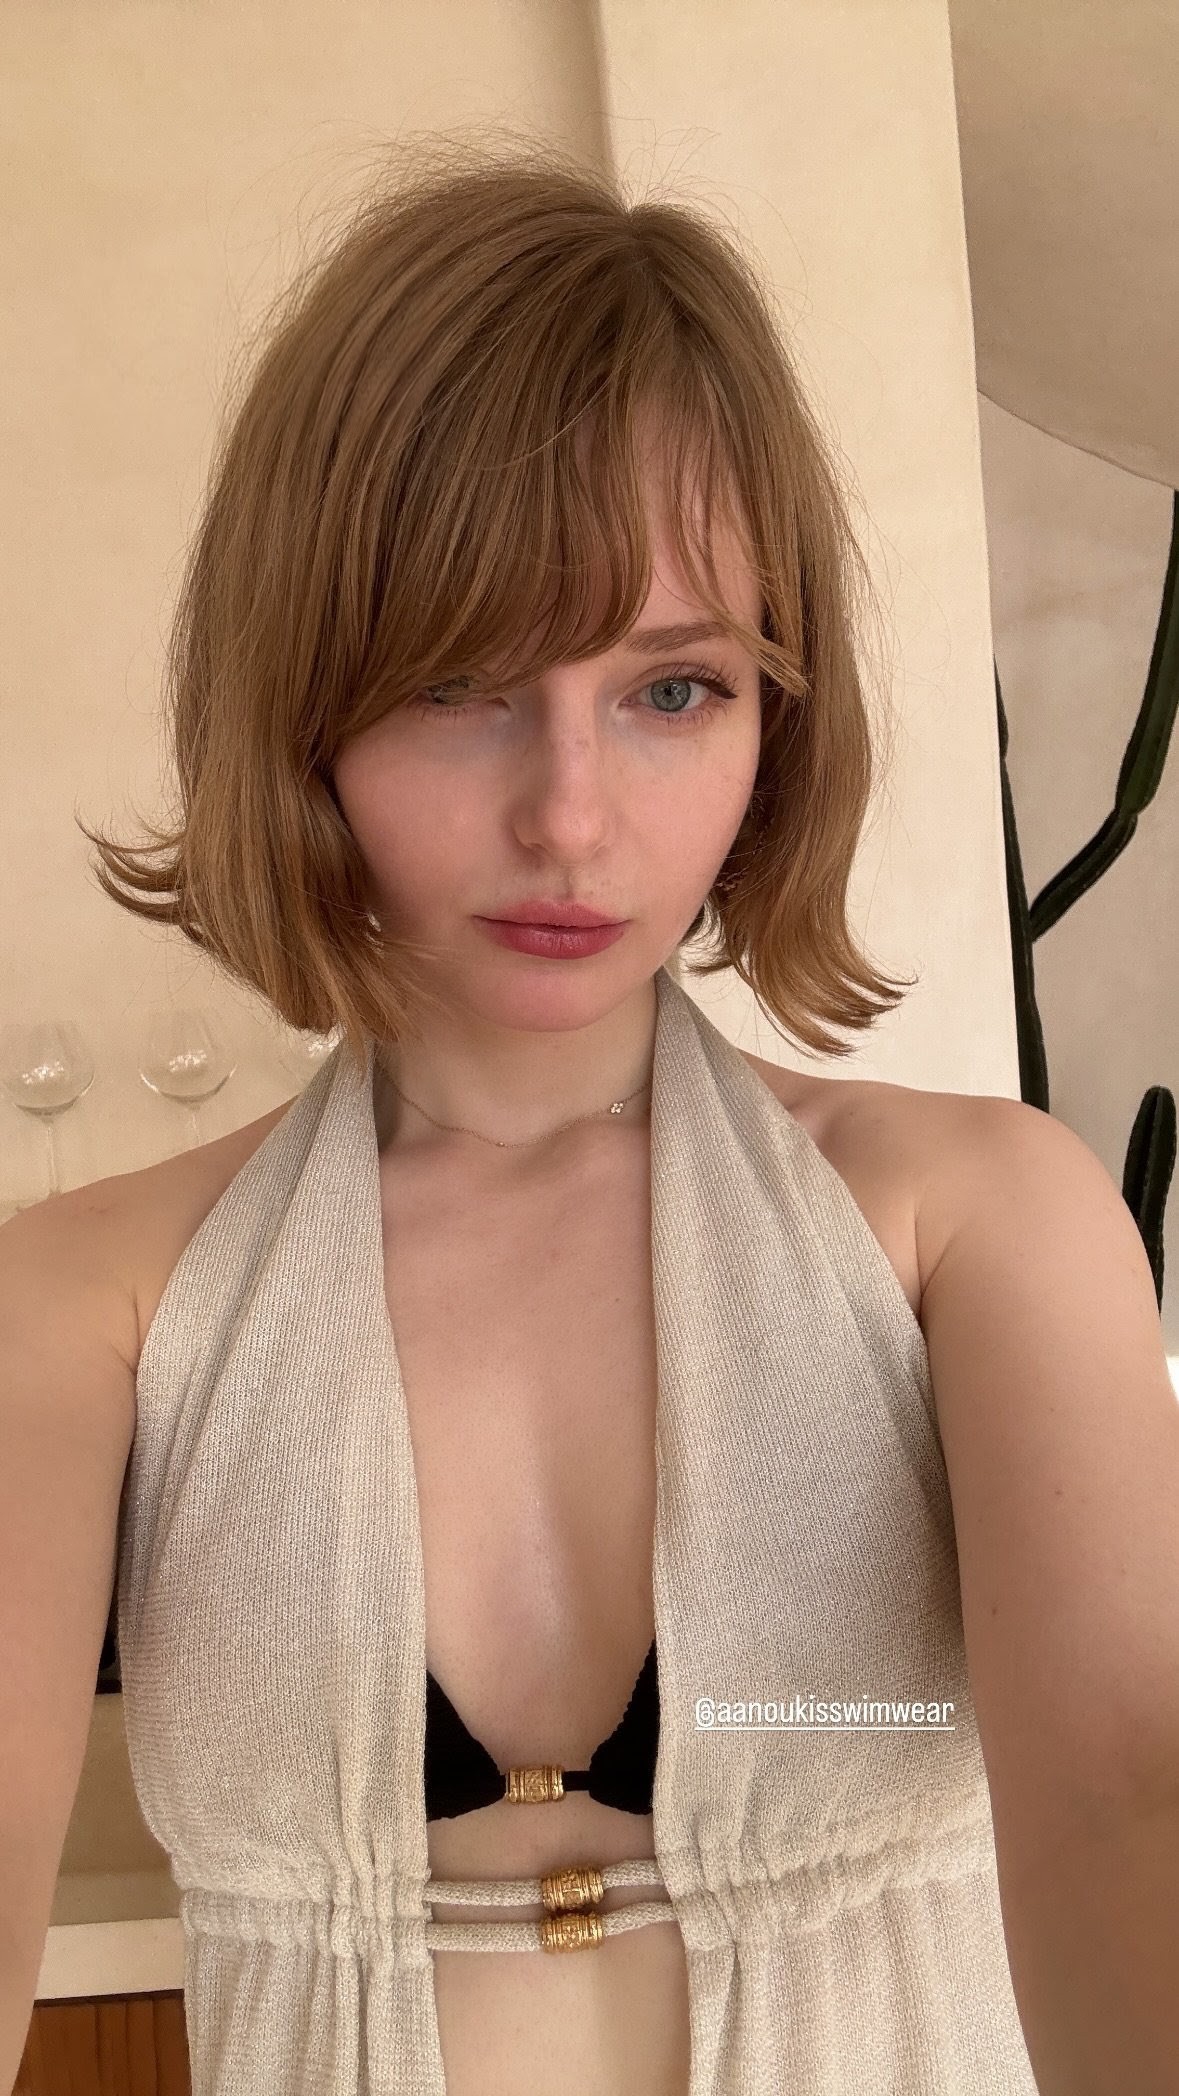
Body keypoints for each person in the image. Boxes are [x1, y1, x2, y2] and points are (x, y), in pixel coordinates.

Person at [20, 134, 1171, 2096]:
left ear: (771, 719)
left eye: (671, 690)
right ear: (305, 707)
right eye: (459, 685)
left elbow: (1123, 1788)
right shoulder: (91, 1303)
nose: (568, 815)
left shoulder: (975, 1222)